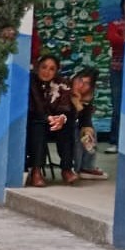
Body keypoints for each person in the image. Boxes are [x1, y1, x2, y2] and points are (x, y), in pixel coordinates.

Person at [25, 55, 76, 187]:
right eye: (44, 67)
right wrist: (47, 118)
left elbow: (66, 107)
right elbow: (33, 108)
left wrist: (61, 119)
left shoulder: (62, 83)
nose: (46, 72)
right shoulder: (30, 81)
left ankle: (66, 169)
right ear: (38, 67)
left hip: (54, 123)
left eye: (52, 69)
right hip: (36, 121)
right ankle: (36, 171)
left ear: (56, 71)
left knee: (67, 125)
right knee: (38, 126)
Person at [70, 68, 106, 180]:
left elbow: (85, 119)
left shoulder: (86, 98)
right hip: (57, 126)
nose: (81, 86)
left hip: (73, 125)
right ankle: (76, 167)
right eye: (80, 81)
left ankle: (86, 167)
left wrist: (87, 129)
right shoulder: (64, 90)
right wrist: (76, 103)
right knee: (76, 132)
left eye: (86, 84)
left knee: (89, 132)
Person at [106, 0, 125, 152]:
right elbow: (114, 40)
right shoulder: (115, 24)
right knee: (117, 105)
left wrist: (123, 37)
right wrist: (124, 38)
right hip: (117, 69)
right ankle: (115, 141)